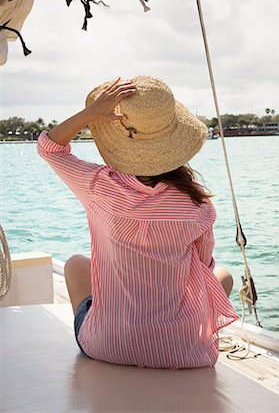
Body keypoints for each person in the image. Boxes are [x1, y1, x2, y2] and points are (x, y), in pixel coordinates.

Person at [37, 75, 239, 369]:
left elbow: (49, 147)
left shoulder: (98, 186)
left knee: (76, 263)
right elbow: (203, 266)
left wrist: (90, 113)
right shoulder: (197, 205)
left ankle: (109, 331)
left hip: (108, 346)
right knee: (223, 275)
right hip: (182, 351)